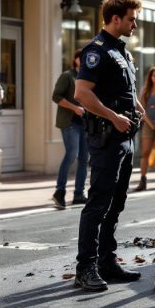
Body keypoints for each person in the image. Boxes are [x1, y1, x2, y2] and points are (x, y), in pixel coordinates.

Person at [74, 0, 146, 291]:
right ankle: (85, 267)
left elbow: (126, 92)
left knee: (116, 203)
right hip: (106, 136)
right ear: (115, 18)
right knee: (98, 202)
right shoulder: (96, 51)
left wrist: (139, 111)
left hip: (125, 135)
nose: (135, 24)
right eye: (131, 19)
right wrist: (114, 116)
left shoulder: (122, 52)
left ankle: (107, 261)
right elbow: (81, 93)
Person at [51, 49, 88, 209]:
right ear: (76, 60)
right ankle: (59, 192)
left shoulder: (87, 77)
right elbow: (56, 97)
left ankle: (79, 194)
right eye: (82, 58)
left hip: (85, 124)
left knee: (84, 159)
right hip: (69, 123)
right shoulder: (67, 76)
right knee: (72, 154)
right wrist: (74, 108)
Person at [135, 66, 155, 192]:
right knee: (145, 153)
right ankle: (142, 181)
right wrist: (149, 123)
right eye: (152, 75)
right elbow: (141, 109)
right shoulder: (145, 90)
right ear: (149, 77)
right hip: (148, 125)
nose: (154, 78)